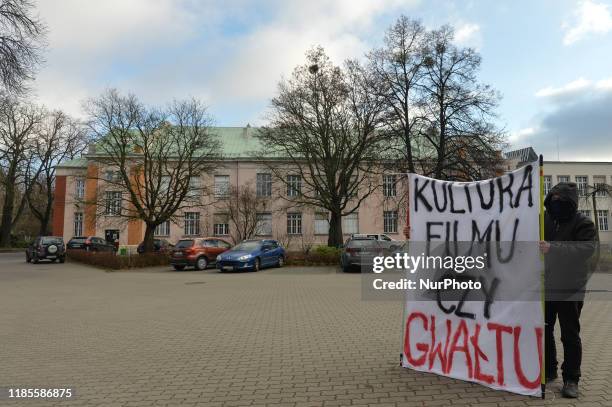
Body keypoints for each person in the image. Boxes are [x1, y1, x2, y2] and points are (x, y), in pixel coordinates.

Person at [539, 182, 596, 399]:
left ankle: (572, 379)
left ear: (570, 202)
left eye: (560, 200)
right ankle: (549, 369)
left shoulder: (583, 223)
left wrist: (553, 248)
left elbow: (586, 249)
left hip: (571, 287)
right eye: (552, 199)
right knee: (544, 329)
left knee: (569, 335)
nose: (555, 203)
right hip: (546, 286)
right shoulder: (544, 220)